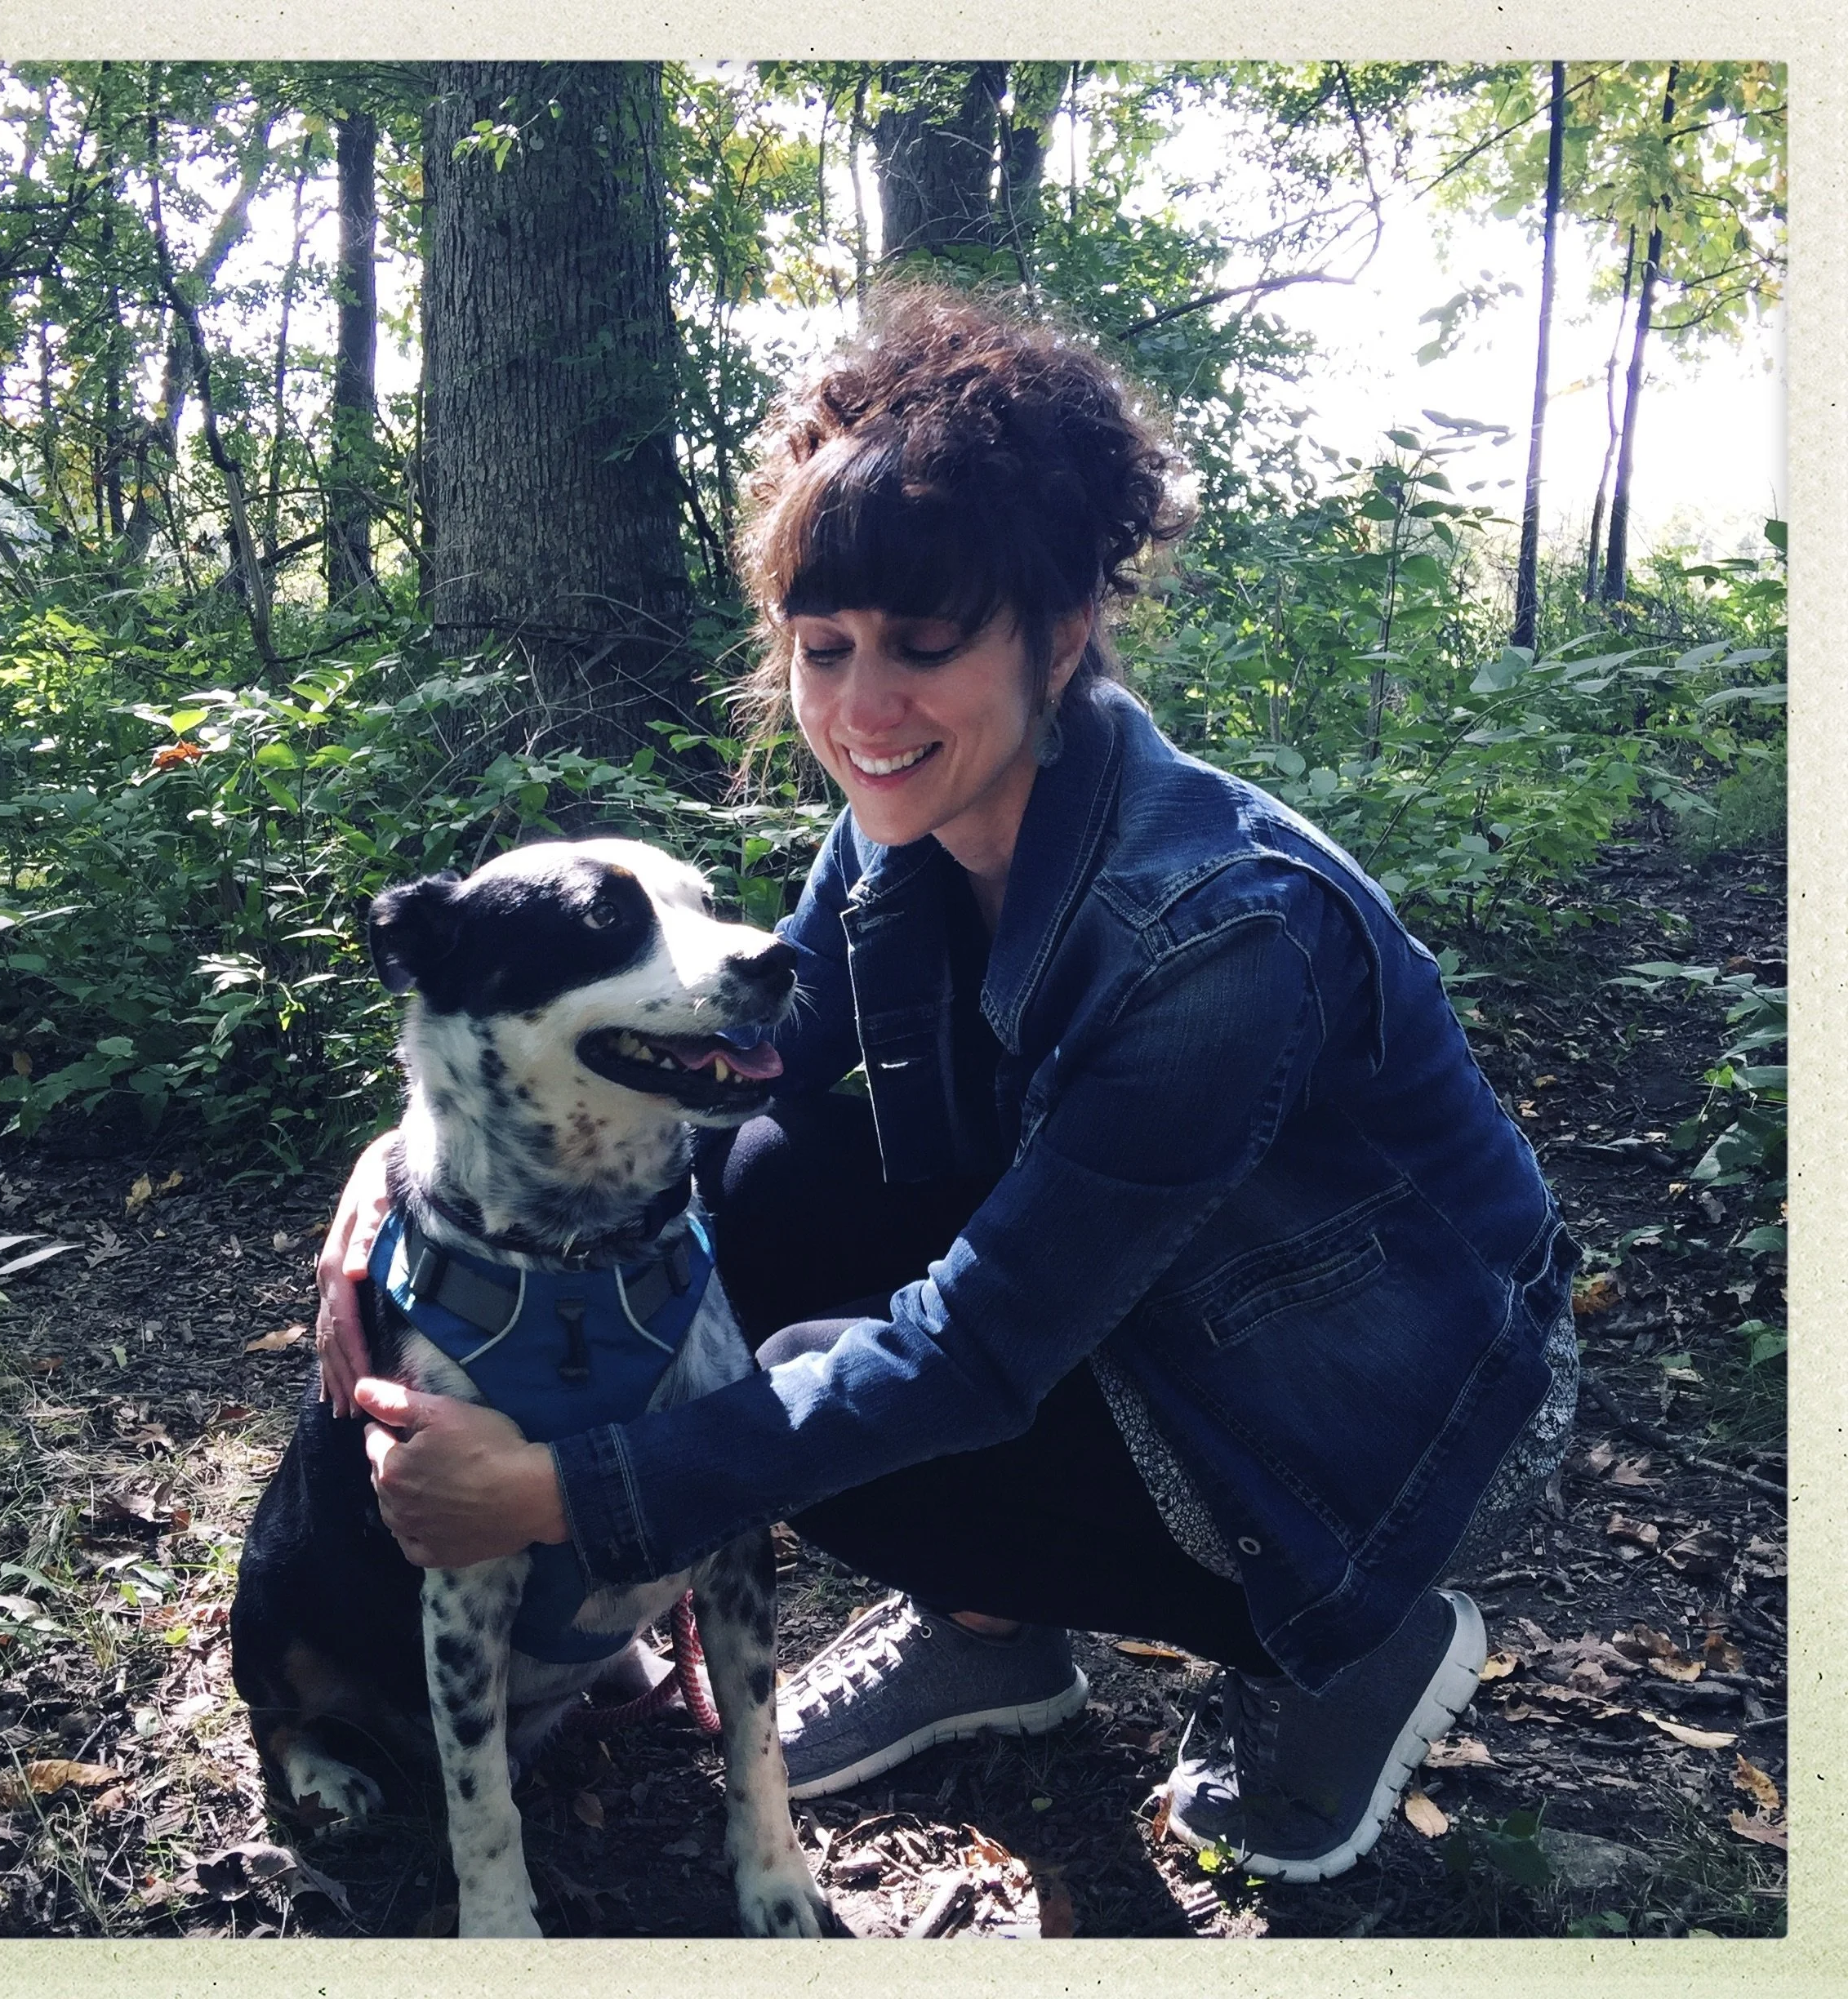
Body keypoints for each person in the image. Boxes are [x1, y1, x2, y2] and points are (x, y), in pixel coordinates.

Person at [317, 287, 1579, 1882]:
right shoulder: (907, 830)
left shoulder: (1213, 934)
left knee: (780, 1391)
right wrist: (404, 1189)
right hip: (1166, 1303)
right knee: (762, 1185)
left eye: (924, 647)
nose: (858, 713)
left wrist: (568, 1489)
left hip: (1402, 1402)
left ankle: (1350, 1637)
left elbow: (971, 1361)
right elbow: (743, 1075)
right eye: (823, 649)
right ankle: (997, 1642)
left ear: (1058, 636)